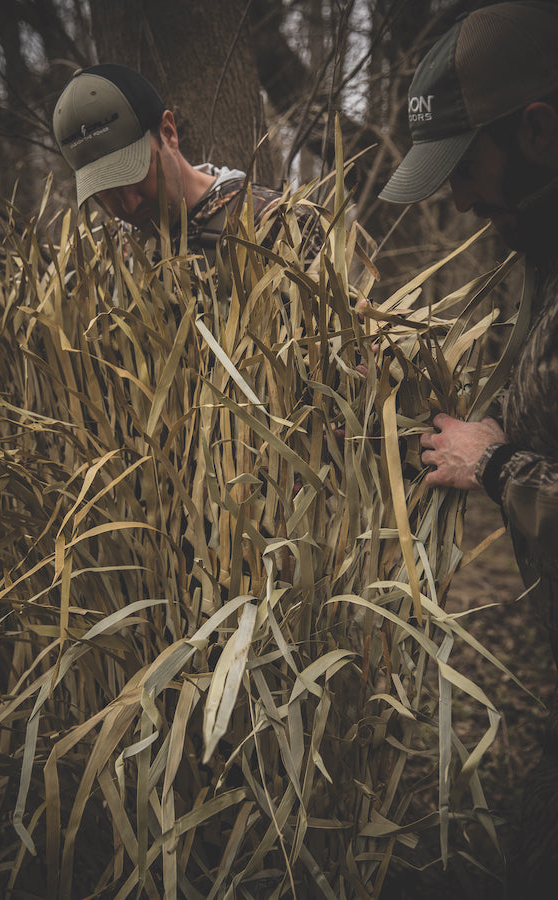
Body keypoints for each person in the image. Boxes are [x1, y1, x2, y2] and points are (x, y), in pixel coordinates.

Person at [380, 2, 558, 895]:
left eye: (462, 168)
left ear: (537, 129)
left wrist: (496, 469)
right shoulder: (537, 245)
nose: (451, 198)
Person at [52, 63, 319, 266]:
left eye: (133, 176)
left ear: (168, 133)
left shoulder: (280, 226)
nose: (130, 204)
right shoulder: (119, 252)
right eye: (107, 190)